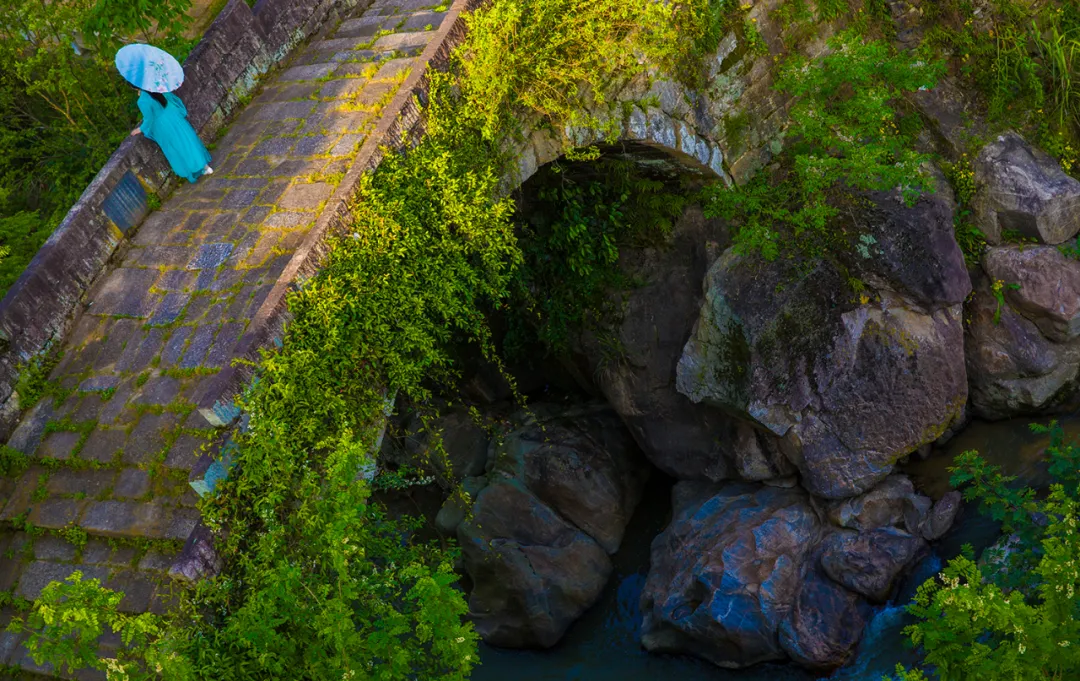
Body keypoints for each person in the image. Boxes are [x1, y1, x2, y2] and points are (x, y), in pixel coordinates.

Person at [131, 88, 213, 183]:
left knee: (178, 148)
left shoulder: (142, 100)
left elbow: (149, 118)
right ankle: (204, 166)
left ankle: (199, 167)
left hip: (163, 127)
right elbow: (169, 96)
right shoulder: (156, 86)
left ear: (135, 87)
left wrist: (140, 129)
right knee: (188, 140)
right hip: (173, 114)